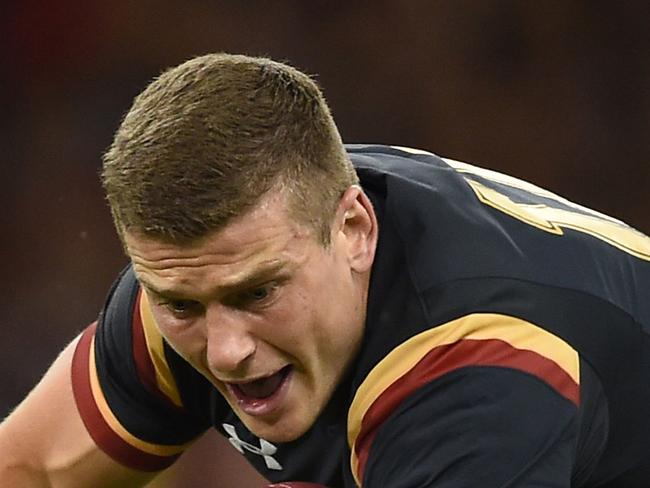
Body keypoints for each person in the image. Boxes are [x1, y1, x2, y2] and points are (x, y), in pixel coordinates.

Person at [1, 53, 650, 488]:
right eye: (181, 305)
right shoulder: (209, 266)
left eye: (259, 292)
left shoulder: (478, 376)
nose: (225, 350)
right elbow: (31, 469)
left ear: (355, 231)